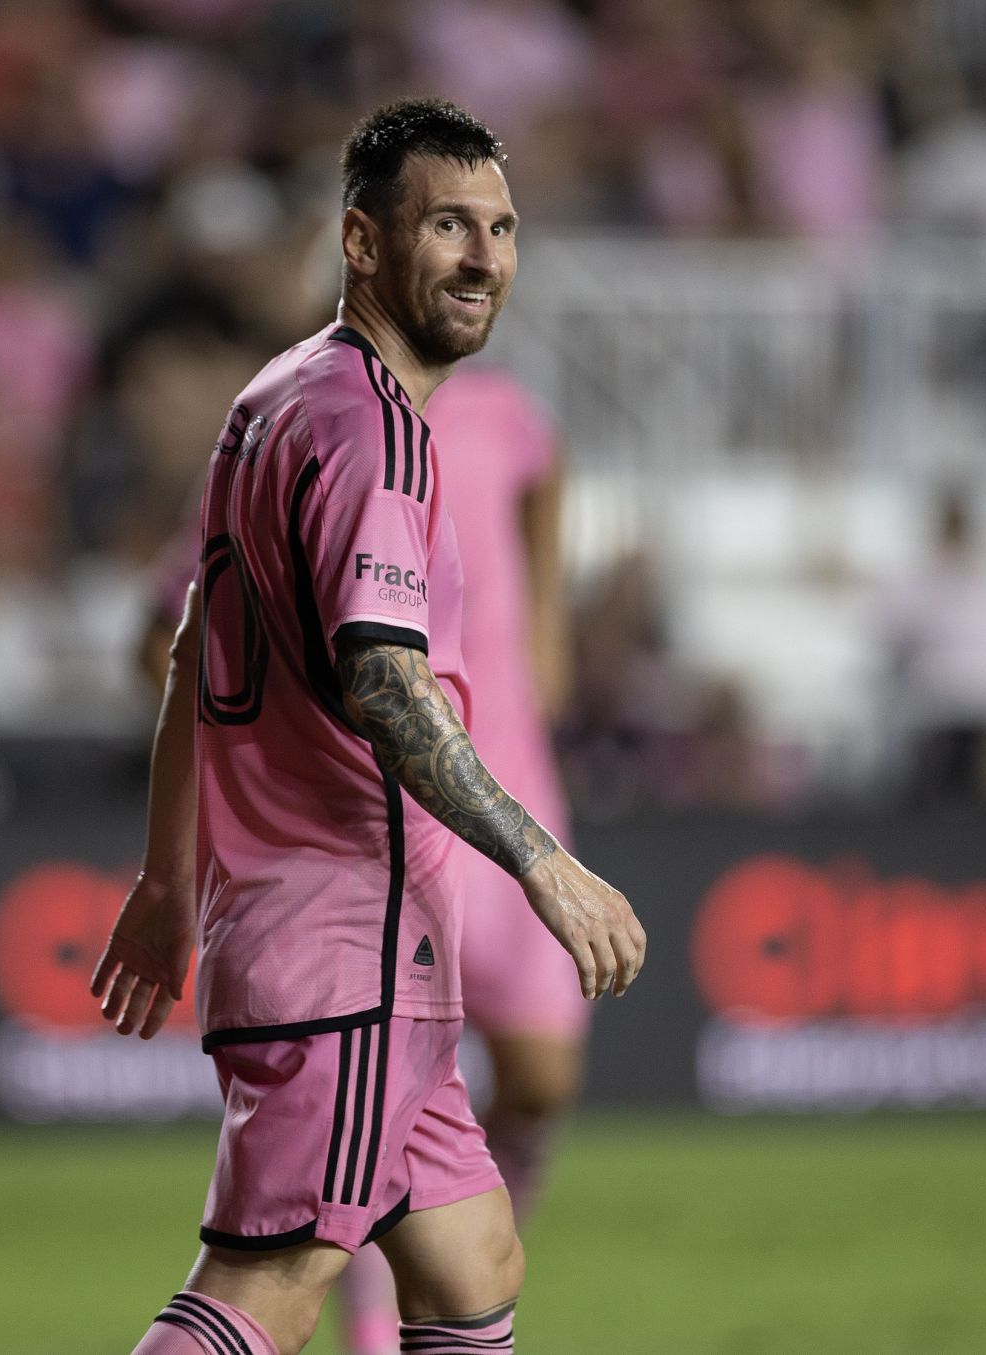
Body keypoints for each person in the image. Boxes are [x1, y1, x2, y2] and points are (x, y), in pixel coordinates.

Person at [90, 98, 647, 1355]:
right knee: (270, 1284)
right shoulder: (377, 431)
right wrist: (543, 861)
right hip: (342, 933)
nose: (482, 256)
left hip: (338, 932)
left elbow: (191, 654)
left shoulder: (276, 397)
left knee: (469, 1258)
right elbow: (385, 686)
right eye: (447, 224)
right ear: (360, 240)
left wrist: (168, 880)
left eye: (500, 228)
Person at [330, 363, 583, 1355]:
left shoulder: (504, 408)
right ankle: (382, 1319)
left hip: (516, 776)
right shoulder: (326, 411)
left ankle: (467, 1262)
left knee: (542, 1076)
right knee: (387, 1088)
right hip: (387, 795)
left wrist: (549, 611)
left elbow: (549, 473)